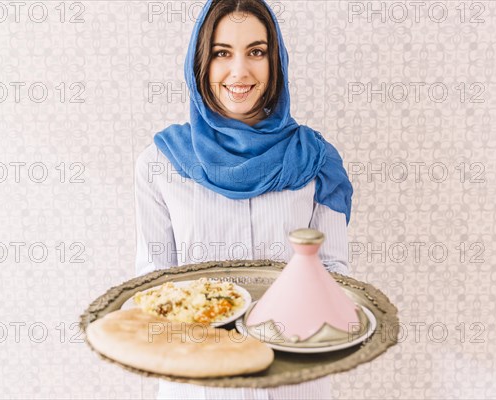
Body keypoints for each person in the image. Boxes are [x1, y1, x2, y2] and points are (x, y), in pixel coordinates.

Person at [134, 0, 354, 398]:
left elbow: (335, 271)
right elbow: (152, 281)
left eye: (256, 51)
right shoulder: (160, 161)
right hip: (200, 381)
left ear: (276, 62)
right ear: (201, 63)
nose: (240, 71)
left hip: (292, 375)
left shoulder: (314, 158)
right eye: (222, 53)